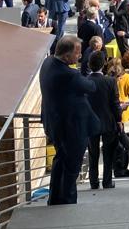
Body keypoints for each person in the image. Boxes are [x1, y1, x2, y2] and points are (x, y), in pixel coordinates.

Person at [39, 35, 98, 205]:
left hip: (55, 124)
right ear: (66, 56)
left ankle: (55, 198)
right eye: (77, 53)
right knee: (72, 168)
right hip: (71, 129)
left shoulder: (48, 62)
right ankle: (67, 201)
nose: (79, 56)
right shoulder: (69, 74)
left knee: (60, 161)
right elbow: (91, 86)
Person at [85, 50, 121, 190]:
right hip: (108, 121)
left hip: (90, 123)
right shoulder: (110, 81)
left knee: (93, 154)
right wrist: (119, 120)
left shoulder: (85, 81)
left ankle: (94, 182)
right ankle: (107, 181)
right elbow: (115, 104)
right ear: (103, 64)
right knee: (108, 153)